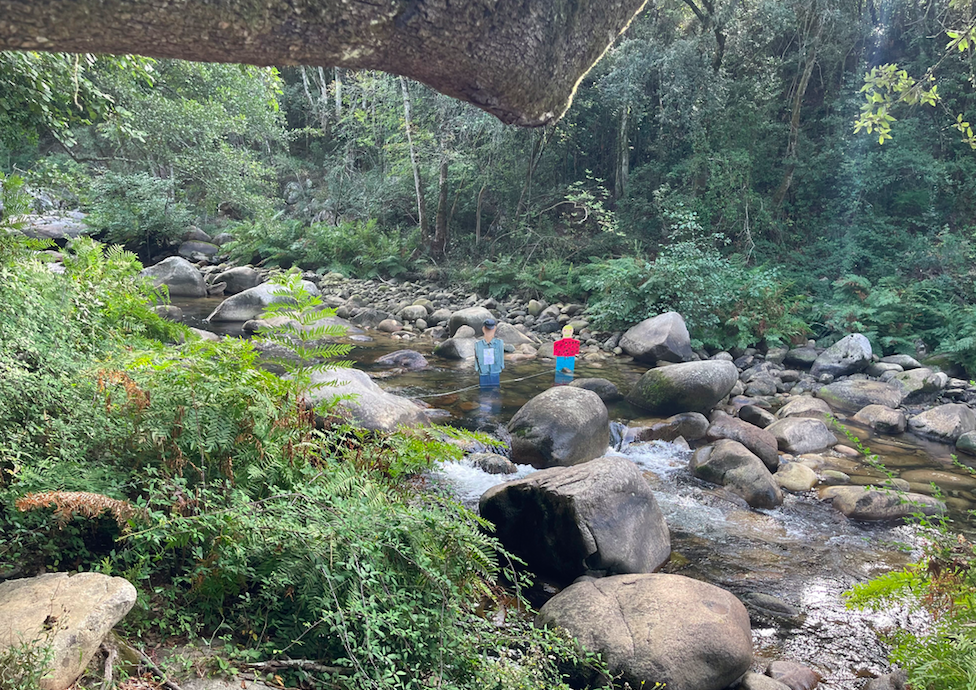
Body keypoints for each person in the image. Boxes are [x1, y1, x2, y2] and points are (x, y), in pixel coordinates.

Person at [474, 318, 505, 387]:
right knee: (484, 391)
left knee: (495, 390)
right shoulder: (478, 344)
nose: (489, 332)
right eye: (488, 329)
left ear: (494, 329)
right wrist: (477, 368)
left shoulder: (499, 343)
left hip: (495, 371)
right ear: (483, 329)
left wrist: (501, 366)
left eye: (490, 329)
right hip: (483, 371)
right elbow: (476, 357)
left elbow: (501, 355)